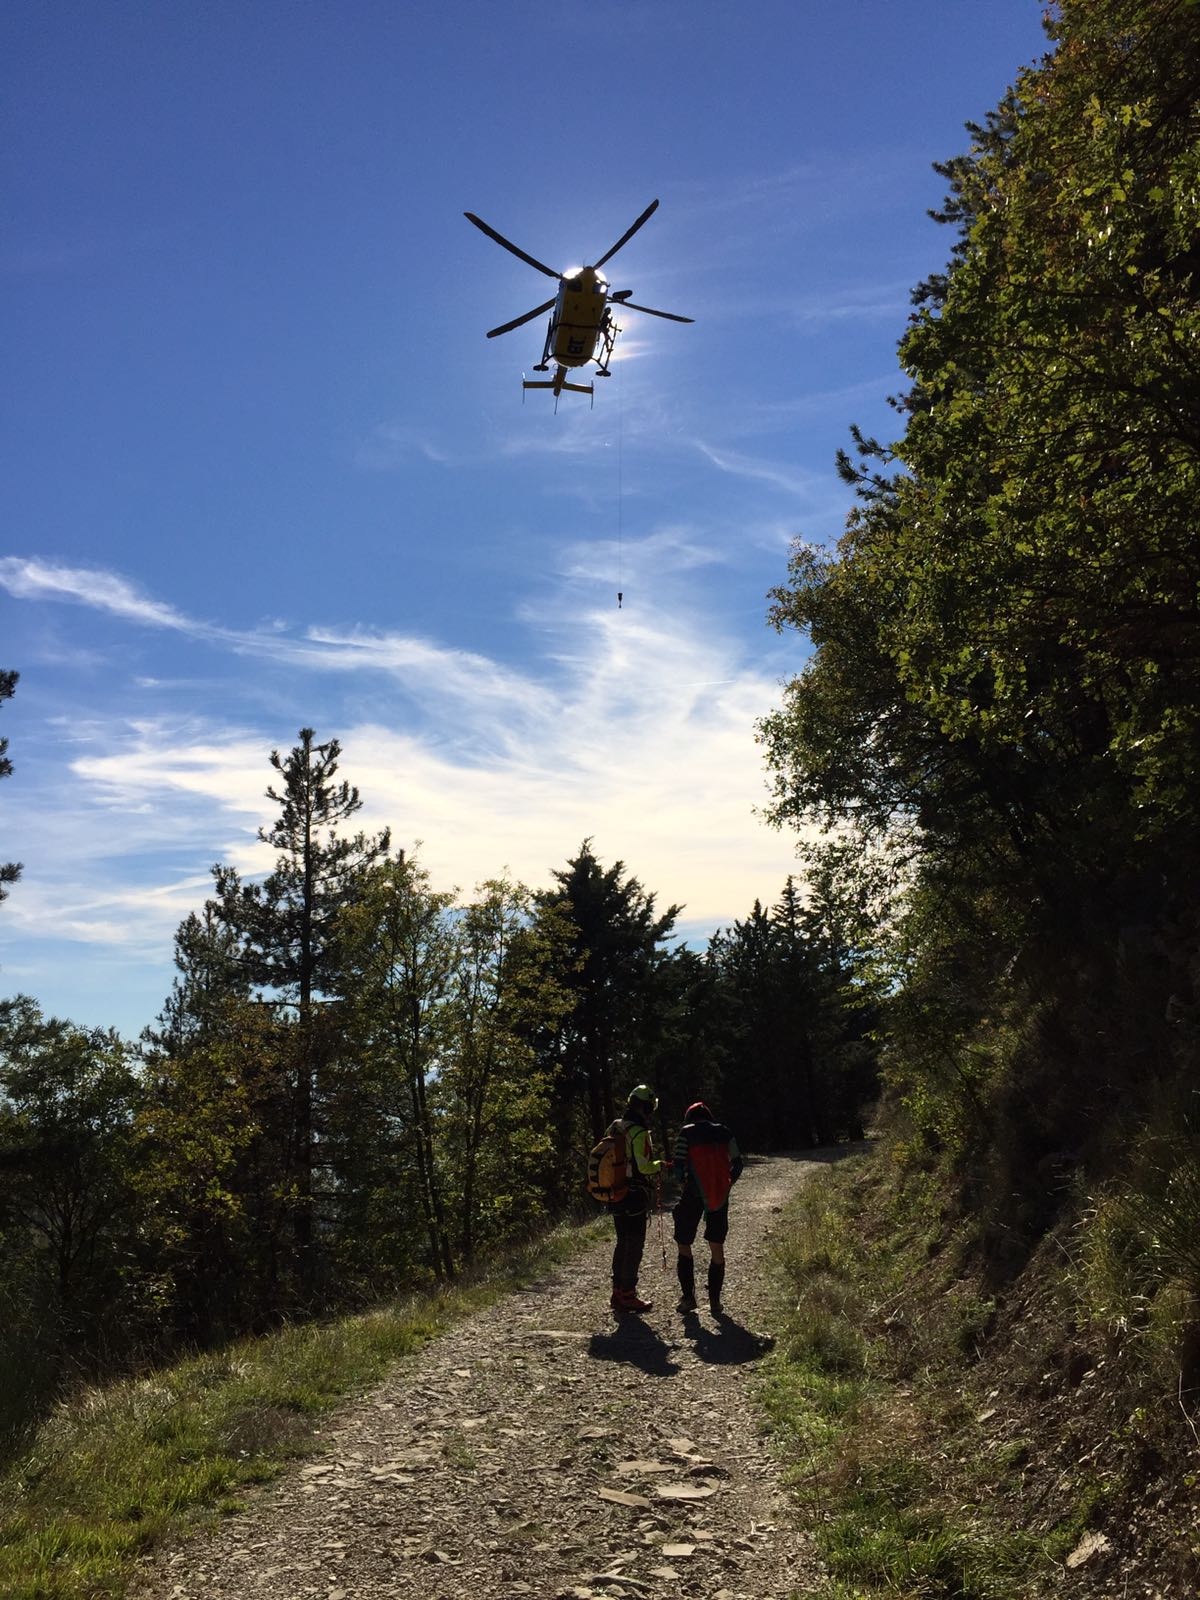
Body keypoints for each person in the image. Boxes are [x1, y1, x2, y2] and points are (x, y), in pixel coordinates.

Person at [672, 1101, 743, 1315]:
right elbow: (738, 1163)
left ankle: (688, 1298)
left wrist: (682, 1183)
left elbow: (678, 1166)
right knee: (716, 1247)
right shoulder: (724, 1132)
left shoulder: (686, 1133)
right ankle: (715, 1302)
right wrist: (727, 1183)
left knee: (684, 1243)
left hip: (692, 1194)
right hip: (719, 1194)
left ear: (689, 1117)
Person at [608, 1083, 668, 1315]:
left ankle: (617, 1291)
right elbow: (644, 1167)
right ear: (646, 1107)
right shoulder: (639, 1132)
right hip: (634, 1194)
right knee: (634, 1243)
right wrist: (660, 1165)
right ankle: (628, 1294)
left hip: (615, 1191)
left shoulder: (615, 1127)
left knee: (622, 1241)